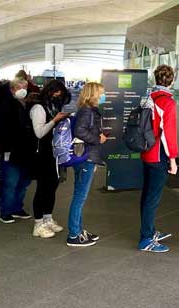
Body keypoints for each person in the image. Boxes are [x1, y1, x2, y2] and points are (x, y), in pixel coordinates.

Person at [138, 65, 178, 253]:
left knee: (147, 194)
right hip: (158, 154)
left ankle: (149, 230)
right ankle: (146, 238)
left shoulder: (148, 97)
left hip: (145, 151)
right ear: (171, 80)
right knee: (152, 198)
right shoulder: (167, 102)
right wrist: (173, 159)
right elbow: (168, 134)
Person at [67, 82, 107, 247]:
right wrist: (98, 139)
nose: (104, 95)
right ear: (94, 94)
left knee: (80, 195)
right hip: (85, 158)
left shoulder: (87, 110)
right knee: (80, 197)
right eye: (102, 93)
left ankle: (78, 230)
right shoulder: (87, 112)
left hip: (85, 157)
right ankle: (74, 234)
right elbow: (80, 131)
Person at [29, 80, 70, 239]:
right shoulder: (39, 108)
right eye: (55, 94)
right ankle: (38, 224)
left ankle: (47, 218)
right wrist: (55, 120)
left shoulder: (54, 107)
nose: (57, 97)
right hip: (42, 155)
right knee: (42, 188)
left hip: (54, 154)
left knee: (52, 186)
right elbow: (39, 132)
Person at [0, 78, 34, 224]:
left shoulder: (26, 104)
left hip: (25, 151)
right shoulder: (6, 105)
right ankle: (6, 211)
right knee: (10, 182)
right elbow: (0, 128)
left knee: (23, 182)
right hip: (11, 150)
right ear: (12, 89)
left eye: (25, 86)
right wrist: (5, 148)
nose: (23, 89)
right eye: (19, 87)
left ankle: (17, 208)